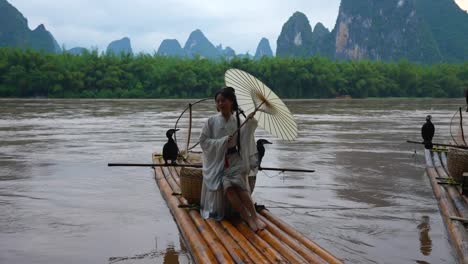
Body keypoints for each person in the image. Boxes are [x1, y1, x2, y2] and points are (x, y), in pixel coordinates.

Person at [199, 87, 266, 231]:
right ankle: (246, 217)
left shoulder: (238, 121)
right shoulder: (210, 122)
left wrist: (250, 122)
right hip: (218, 162)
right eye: (218, 101)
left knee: (241, 188)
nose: (220, 104)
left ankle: (254, 217)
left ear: (231, 102)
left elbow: (245, 138)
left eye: (223, 100)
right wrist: (221, 141)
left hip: (234, 159)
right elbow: (203, 142)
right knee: (229, 189)